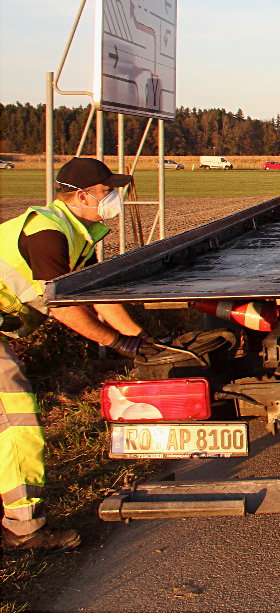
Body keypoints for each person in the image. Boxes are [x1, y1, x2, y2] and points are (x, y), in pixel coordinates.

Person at [1, 157, 151, 551]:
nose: (113, 197)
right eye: (106, 191)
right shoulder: (48, 235)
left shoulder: (78, 234)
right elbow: (64, 308)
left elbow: (98, 297)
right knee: (16, 417)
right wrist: (118, 343)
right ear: (82, 196)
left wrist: (142, 341)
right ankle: (23, 529)